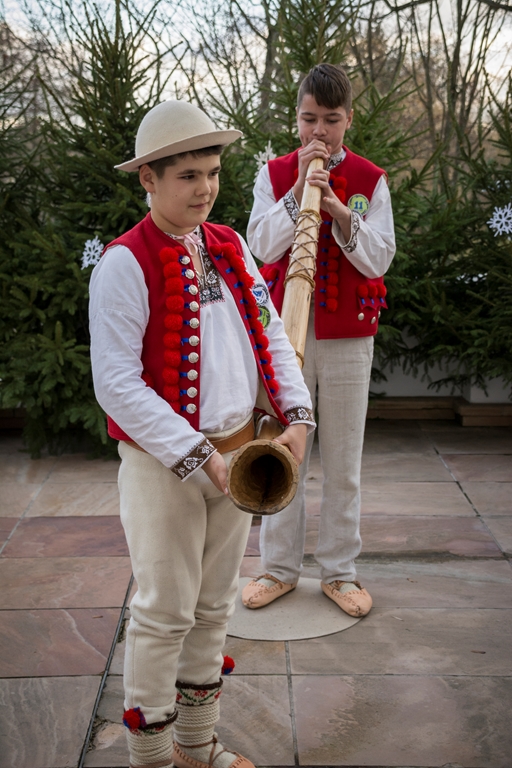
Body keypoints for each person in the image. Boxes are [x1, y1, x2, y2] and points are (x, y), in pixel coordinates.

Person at [89, 100, 315, 768]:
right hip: (164, 467)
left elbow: (271, 335)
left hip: (241, 454)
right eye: (188, 175)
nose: (205, 188)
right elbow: (116, 384)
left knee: (214, 607)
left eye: (212, 172)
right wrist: (198, 456)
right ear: (148, 179)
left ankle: (195, 744)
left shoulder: (229, 245)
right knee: (164, 611)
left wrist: (298, 417)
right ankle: (153, 757)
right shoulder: (123, 263)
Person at [242, 63, 395, 618]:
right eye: (309, 119)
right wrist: (296, 194)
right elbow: (261, 246)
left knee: (344, 461)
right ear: (296, 119)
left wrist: (337, 210)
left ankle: (340, 572)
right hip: (287, 336)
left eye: (331, 120)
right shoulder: (273, 173)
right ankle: (278, 569)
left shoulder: (371, 179)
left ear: (348, 119)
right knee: (285, 450)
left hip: (350, 336)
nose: (319, 132)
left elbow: (379, 258)